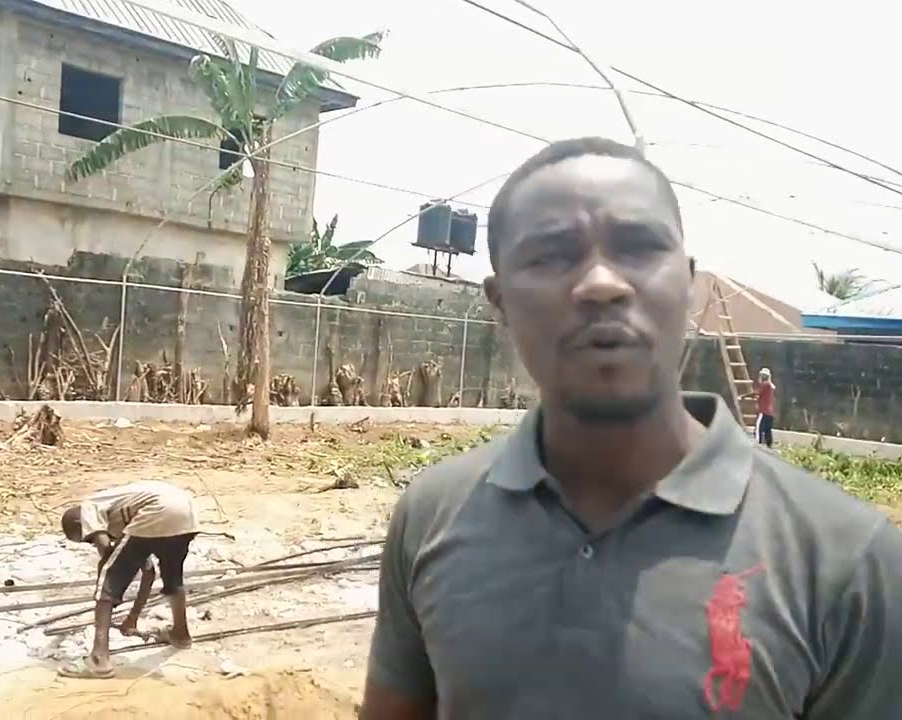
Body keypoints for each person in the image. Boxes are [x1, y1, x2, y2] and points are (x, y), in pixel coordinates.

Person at [360, 138, 902, 719]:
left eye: (639, 247)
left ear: (689, 283)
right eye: (550, 254)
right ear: (499, 301)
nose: (601, 283)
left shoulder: (849, 561)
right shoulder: (432, 514)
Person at [57, 479, 199, 679]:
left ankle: (99, 660)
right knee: (173, 579)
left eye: (86, 538)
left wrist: (108, 572)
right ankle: (180, 634)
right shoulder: (123, 514)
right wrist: (132, 617)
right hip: (187, 512)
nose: (91, 542)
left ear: (80, 524)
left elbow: (106, 554)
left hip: (159, 509)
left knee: (106, 579)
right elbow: (148, 572)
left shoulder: (90, 507)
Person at [742, 367, 777, 447]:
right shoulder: (771, 387)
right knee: (768, 431)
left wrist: (743, 396)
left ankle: (757, 446)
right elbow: (764, 397)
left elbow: (755, 393)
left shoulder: (765, 385)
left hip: (763, 412)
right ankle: (769, 447)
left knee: (758, 430)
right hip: (770, 414)